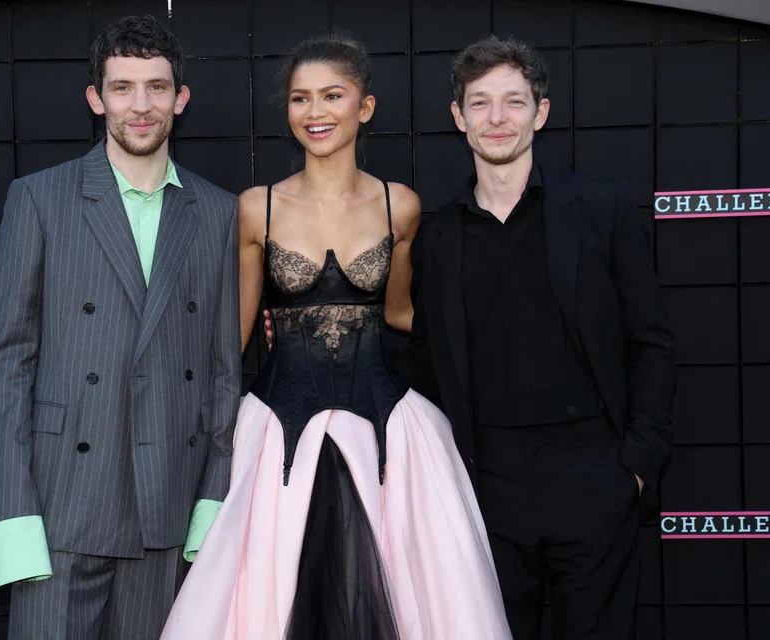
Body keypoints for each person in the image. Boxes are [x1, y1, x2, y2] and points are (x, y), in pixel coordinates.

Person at [161, 35, 511, 640]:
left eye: (332, 96)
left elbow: (401, 313)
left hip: (388, 435)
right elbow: (233, 339)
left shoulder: (400, 205)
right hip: (278, 434)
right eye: (300, 99)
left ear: (364, 107)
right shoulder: (256, 208)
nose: (315, 112)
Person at [403, 35, 676, 639]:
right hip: (486, 485)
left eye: (513, 102)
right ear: (458, 117)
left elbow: (650, 341)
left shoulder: (601, 208)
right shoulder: (438, 236)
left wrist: (634, 464)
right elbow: (422, 355)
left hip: (594, 475)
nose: (497, 119)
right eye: (480, 103)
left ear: (540, 113)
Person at [0, 15, 240, 638]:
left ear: (180, 99)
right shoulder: (39, 199)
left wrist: (212, 507)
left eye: (156, 87)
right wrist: (14, 520)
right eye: (123, 87)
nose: (140, 106)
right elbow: (7, 366)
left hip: (169, 511)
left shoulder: (219, 213)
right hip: (60, 509)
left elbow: (225, 373)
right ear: (96, 99)